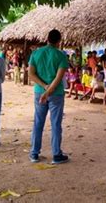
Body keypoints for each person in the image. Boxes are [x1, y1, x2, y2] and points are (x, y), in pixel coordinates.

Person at [28, 29, 70, 164]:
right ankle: (56, 154)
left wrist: (44, 88)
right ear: (59, 41)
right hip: (56, 94)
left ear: (47, 39)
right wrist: (49, 90)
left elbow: (31, 74)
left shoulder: (36, 53)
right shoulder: (61, 56)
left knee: (38, 122)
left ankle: (34, 153)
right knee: (56, 123)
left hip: (39, 92)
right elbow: (58, 78)